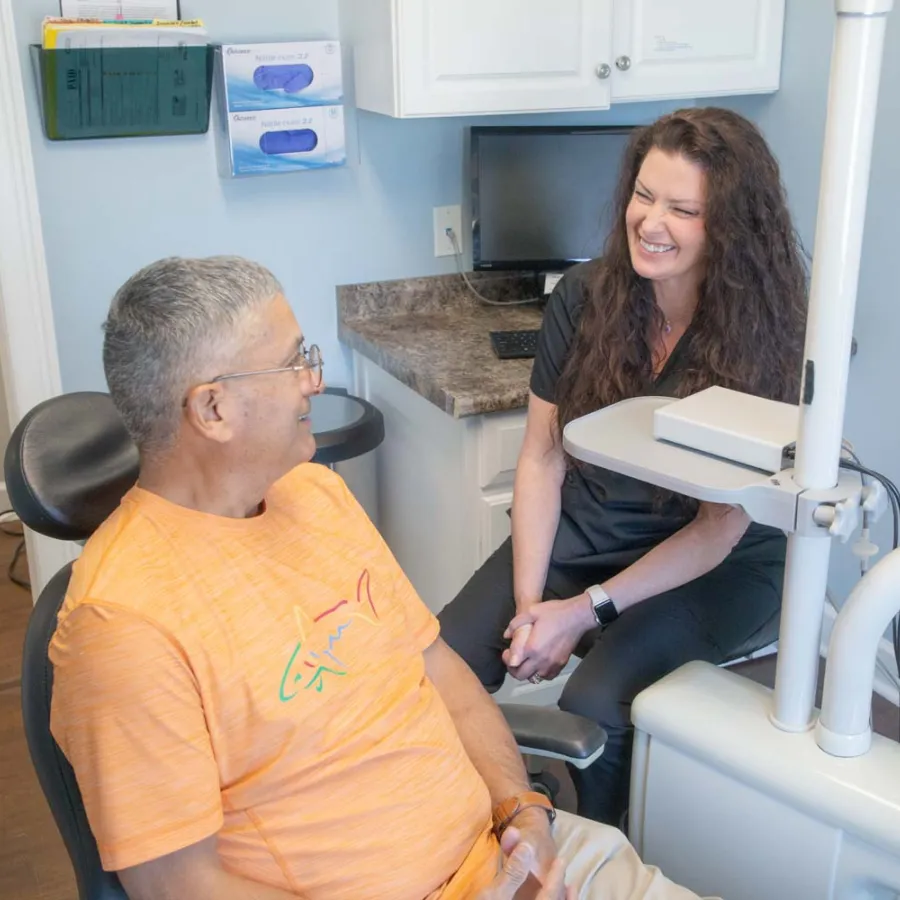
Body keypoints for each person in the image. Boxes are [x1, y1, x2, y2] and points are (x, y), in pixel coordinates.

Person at [48, 256, 707, 900]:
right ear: (212, 410)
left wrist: (525, 812)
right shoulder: (123, 622)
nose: (313, 380)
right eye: (292, 361)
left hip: (520, 859)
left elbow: (441, 672)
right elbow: (175, 882)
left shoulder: (313, 493)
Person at [438, 107, 808, 827]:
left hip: (717, 560)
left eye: (683, 209)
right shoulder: (585, 299)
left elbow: (716, 529)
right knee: (443, 660)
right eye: (644, 196)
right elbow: (542, 459)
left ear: (728, 225)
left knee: (596, 707)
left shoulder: (769, 334)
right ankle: (469, 823)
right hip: (594, 524)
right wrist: (529, 610)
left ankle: (601, 851)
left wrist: (583, 612)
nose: (651, 222)